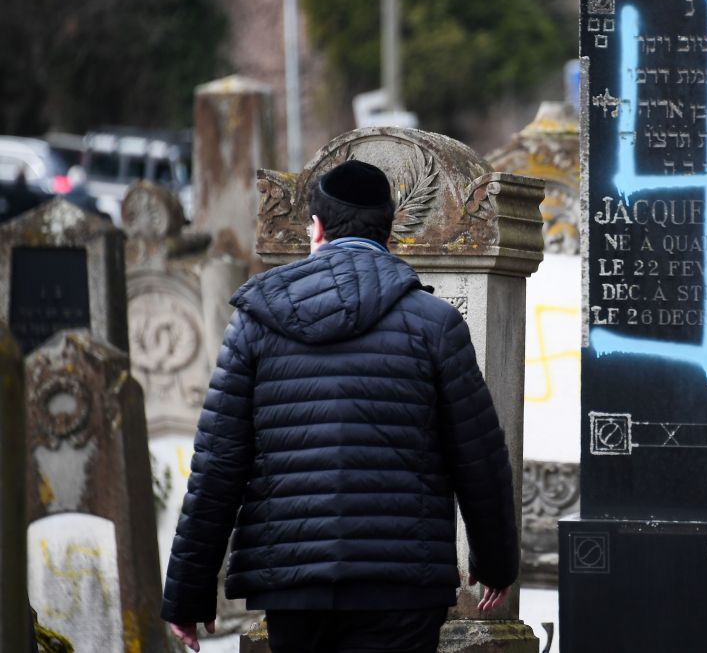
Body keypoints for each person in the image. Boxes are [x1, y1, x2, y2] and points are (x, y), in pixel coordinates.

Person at [161, 160, 519, 653]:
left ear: (317, 228)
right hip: (402, 584)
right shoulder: (435, 324)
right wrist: (496, 563)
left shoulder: (256, 322)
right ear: (389, 231)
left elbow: (218, 464)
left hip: (293, 581)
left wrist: (187, 592)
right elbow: (478, 456)